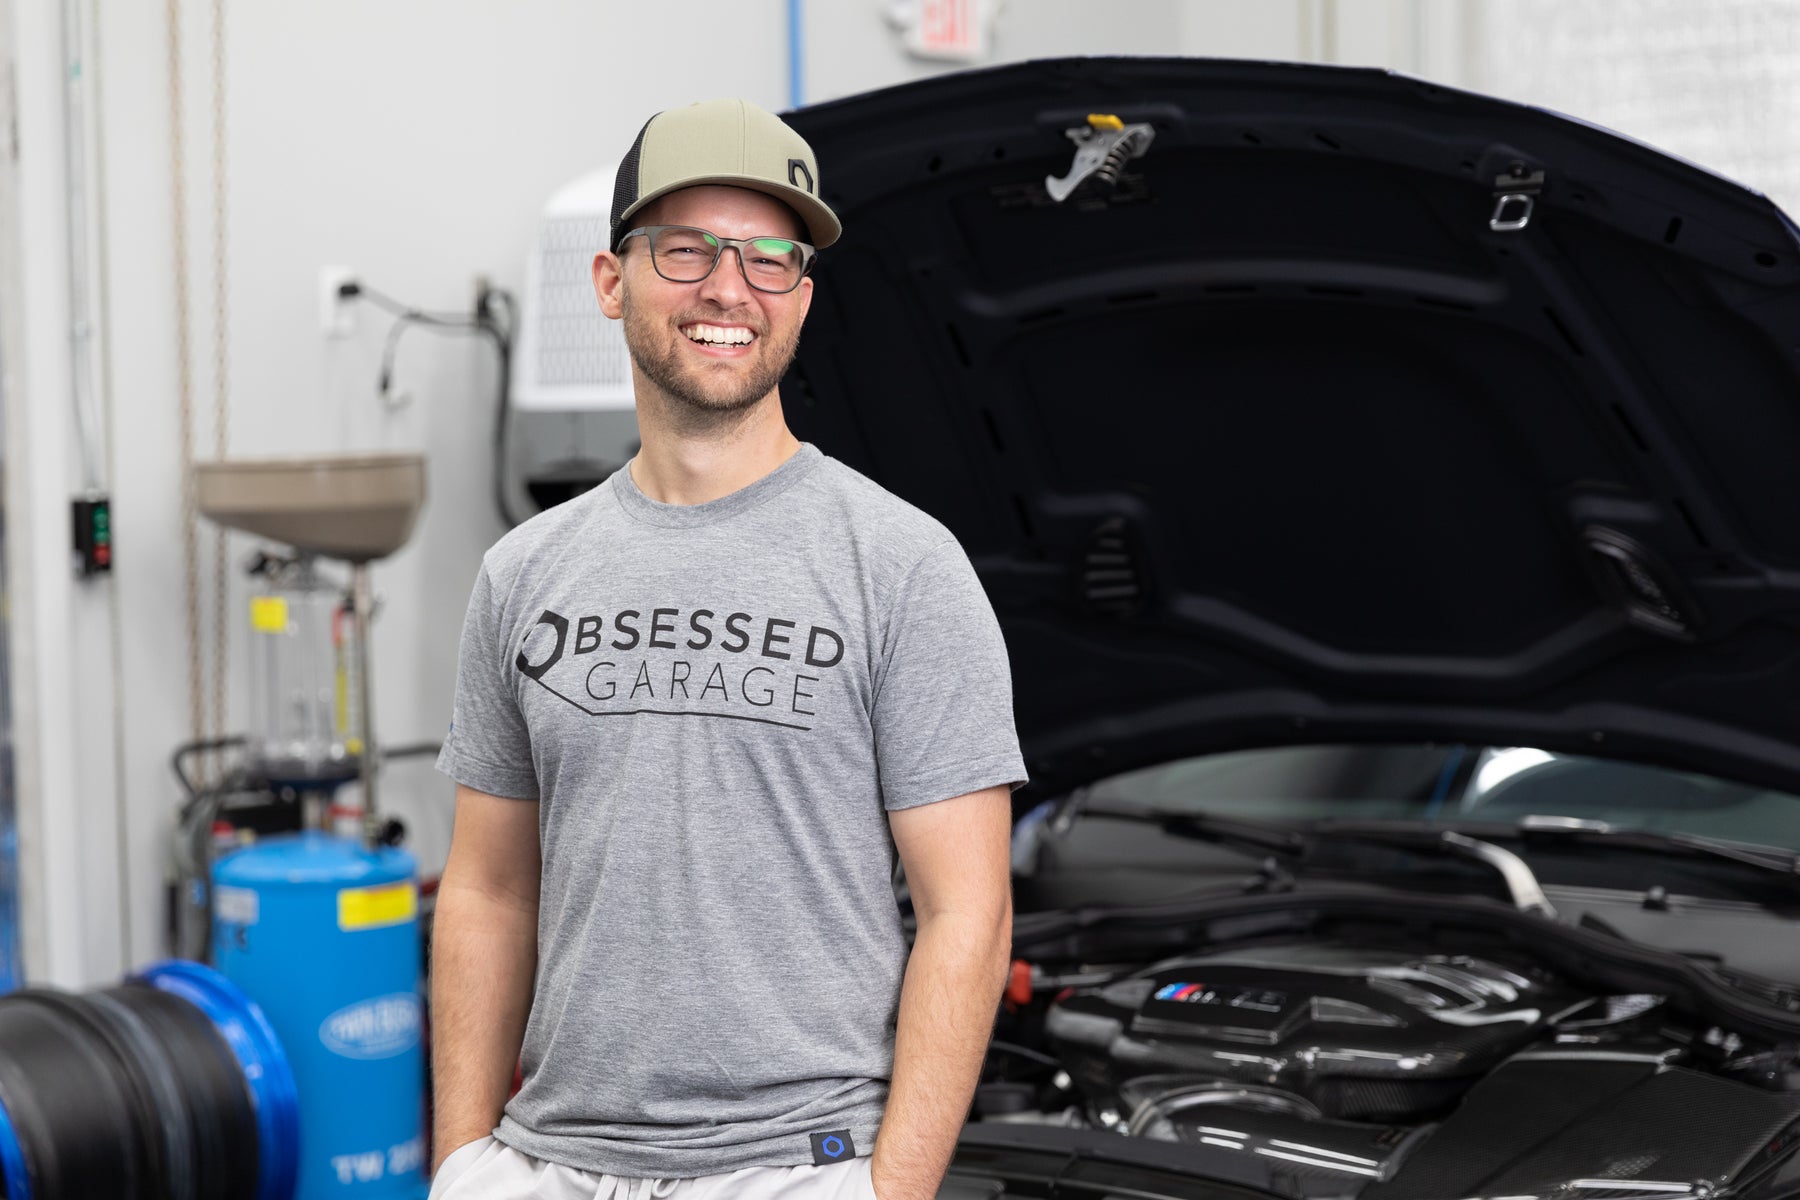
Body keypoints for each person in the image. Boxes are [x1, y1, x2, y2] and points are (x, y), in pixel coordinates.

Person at [429, 97, 1026, 1200]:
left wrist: (889, 1191)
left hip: (798, 1168)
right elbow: (488, 890)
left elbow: (969, 915)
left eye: (769, 258)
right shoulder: (523, 573)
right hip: (549, 1163)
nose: (728, 289)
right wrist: (463, 1163)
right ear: (611, 281)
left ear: (802, 295)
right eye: (687, 250)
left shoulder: (902, 566)